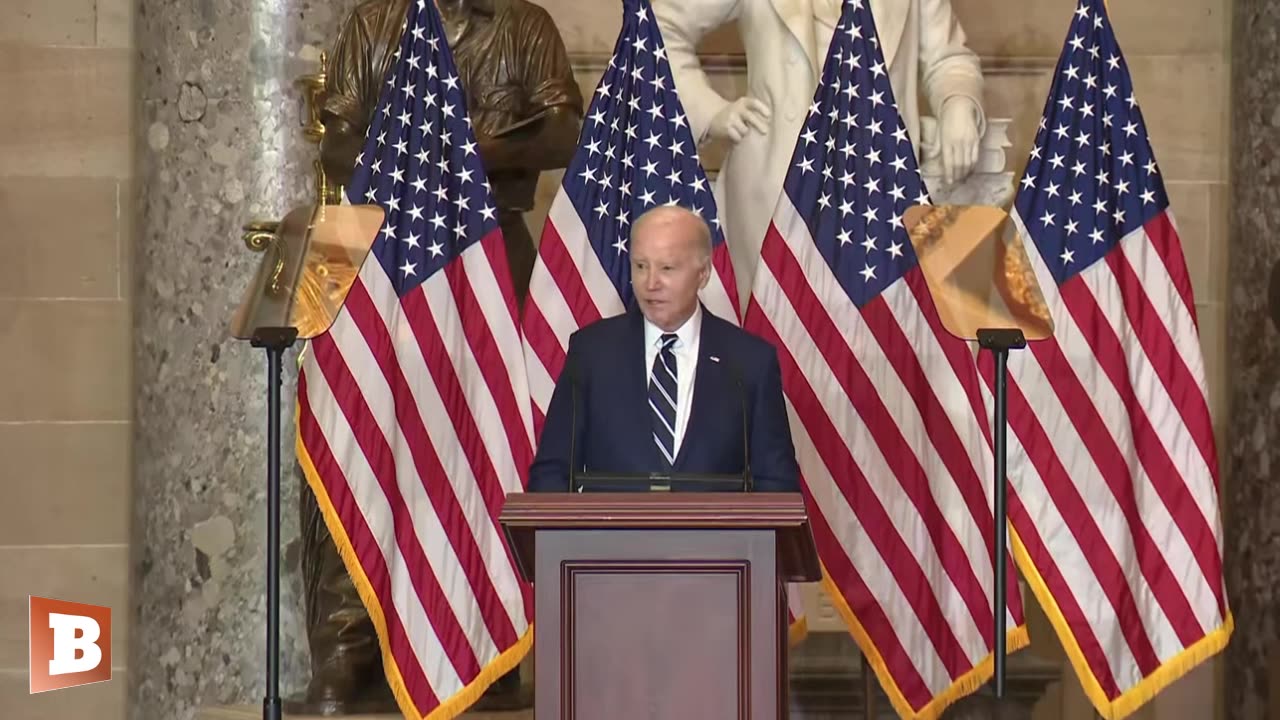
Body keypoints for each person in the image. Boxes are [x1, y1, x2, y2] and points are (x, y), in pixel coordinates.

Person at [653, 0, 986, 307]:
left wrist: (957, 100)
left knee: (878, 347)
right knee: (777, 342)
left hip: (880, 188)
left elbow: (949, 57)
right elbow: (661, 27)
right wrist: (711, 112)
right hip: (777, 185)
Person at [528, 205, 800, 493]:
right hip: (611, 537)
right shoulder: (592, 353)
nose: (651, 283)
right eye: (641, 266)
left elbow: (777, 484)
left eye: (667, 268)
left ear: (704, 273)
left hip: (714, 538)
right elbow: (552, 472)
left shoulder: (749, 362)